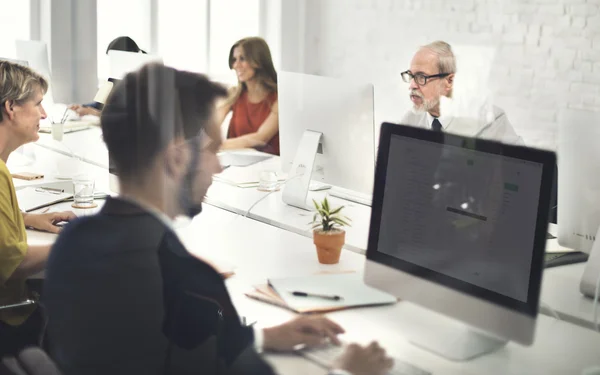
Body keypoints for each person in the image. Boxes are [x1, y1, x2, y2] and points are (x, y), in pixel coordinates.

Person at [43, 63, 393, 375]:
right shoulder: (190, 284)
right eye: (213, 150)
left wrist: (259, 337)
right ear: (177, 159)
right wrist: (346, 370)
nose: (219, 164)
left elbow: (148, 343)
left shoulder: (73, 241)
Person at [0, 61, 76, 356]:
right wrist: (78, 239)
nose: (44, 114)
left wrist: (27, 218)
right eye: (38, 104)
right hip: (11, 318)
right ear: (11, 108)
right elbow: (14, 264)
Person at [399, 40, 524, 145]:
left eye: (422, 77)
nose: (412, 85)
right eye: (411, 76)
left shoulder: (491, 121)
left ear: (449, 81)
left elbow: (523, 167)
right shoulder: (410, 121)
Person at [216, 37, 280, 155]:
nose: (236, 65)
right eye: (234, 60)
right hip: (236, 164)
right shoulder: (233, 94)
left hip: (268, 168)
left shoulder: (278, 99)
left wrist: (217, 145)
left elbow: (261, 138)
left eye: (242, 59)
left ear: (258, 61)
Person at [69, 36, 147, 117]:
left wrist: (94, 112)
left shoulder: (143, 81)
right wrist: (83, 107)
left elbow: (129, 116)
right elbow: (99, 104)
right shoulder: (113, 77)